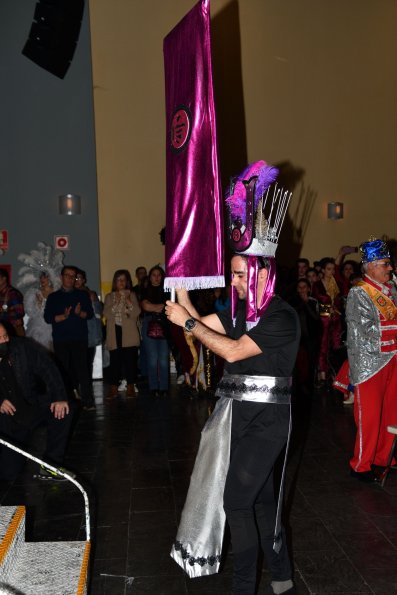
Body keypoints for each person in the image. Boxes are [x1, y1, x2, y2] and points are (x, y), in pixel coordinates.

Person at [167, 161, 299, 595]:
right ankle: (281, 579)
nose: (235, 281)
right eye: (234, 274)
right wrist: (181, 285)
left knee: (237, 503)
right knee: (260, 502)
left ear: (262, 274)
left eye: (241, 275)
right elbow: (204, 323)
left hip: (267, 424)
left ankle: (245, 588)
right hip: (234, 419)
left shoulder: (281, 317)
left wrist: (189, 325)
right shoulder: (240, 312)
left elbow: (230, 349)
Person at [346, 238, 397, 483]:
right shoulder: (359, 292)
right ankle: (361, 464)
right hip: (370, 364)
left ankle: (385, 457)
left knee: (391, 413)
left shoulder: (393, 290)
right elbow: (362, 331)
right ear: (371, 266)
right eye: (385, 264)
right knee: (369, 415)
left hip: (393, 359)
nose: (390, 269)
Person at [0, 322, 74, 481]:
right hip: (7, 422)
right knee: (10, 474)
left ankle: (50, 465)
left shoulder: (22, 347)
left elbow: (48, 367)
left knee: (64, 409)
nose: (3, 342)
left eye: (5, 336)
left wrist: (59, 397)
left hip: (30, 406)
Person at [44, 266, 95, 411]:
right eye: (68, 275)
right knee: (62, 370)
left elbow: (90, 315)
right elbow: (48, 318)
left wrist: (80, 314)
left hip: (79, 338)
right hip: (61, 339)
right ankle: (62, 400)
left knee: (82, 370)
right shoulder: (53, 297)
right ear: (61, 277)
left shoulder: (82, 295)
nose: (71, 279)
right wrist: (63, 317)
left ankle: (88, 401)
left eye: (73, 276)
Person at [103, 269, 140, 398]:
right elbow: (106, 314)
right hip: (114, 333)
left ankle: (130, 386)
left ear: (127, 282)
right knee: (115, 363)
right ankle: (113, 388)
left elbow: (136, 314)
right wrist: (118, 301)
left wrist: (128, 299)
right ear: (115, 282)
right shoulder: (109, 296)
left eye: (123, 279)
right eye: (119, 279)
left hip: (129, 333)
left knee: (130, 362)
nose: (121, 282)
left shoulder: (133, 295)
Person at [141, 266, 170, 397]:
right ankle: (153, 388)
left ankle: (163, 387)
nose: (157, 277)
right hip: (149, 323)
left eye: (159, 274)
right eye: (154, 274)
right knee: (152, 359)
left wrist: (154, 307)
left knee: (163, 359)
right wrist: (159, 307)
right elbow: (145, 306)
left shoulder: (168, 290)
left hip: (165, 324)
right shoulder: (145, 290)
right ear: (150, 276)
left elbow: (168, 306)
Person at [74, 268, 103, 382]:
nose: (76, 280)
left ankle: (86, 387)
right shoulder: (69, 293)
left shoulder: (90, 294)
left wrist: (95, 302)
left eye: (79, 278)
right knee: (75, 362)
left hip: (89, 334)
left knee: (87, 361)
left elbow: (98, 313)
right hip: (74, 333)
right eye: (75, 278)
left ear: (84, 280)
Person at [23, 272, 54, 350]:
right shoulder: (34, 293)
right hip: (37, 325)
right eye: (41, 277)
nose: (42, 279)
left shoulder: (56, 292)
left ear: (50, 278)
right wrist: (38, 304)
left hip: (52, 325)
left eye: (45, 277)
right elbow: (30, 312)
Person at [0, 268, 25, 336]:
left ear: (4, 279)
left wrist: (3, 311)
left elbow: (19, 312)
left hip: (12, 331)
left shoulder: (13, 293)